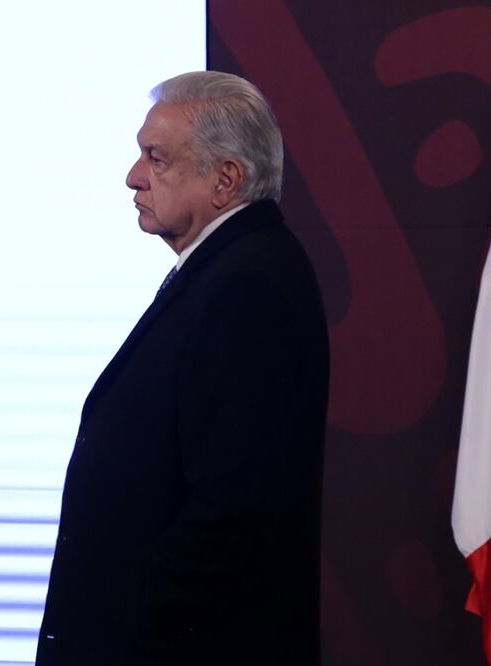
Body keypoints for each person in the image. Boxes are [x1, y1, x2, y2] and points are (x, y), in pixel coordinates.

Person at [35, 71, 330, 665]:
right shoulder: (229, 269)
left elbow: (231, 510)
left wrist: (136, 630)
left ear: (225, 179)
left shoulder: (248, 286)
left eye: (157, 158)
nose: (134, 176)